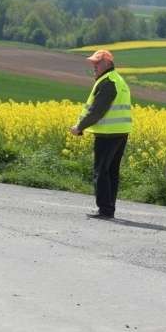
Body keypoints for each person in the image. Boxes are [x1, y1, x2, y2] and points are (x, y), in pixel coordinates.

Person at [70, 49, 133, 220]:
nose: (94, 66)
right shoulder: (118, 80)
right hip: (120, 132)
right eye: (93, 63)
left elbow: (97, 111)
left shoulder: (107, 82)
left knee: (101, 171)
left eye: (97, 62)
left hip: (107, 133)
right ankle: (109, 208)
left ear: (108, 64)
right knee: (111, 171)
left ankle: (105, 209)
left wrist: (80, 127)